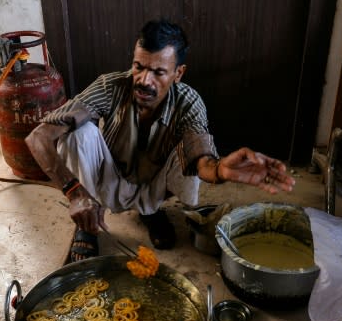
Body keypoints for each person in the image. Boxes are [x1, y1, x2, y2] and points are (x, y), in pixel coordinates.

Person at [26, 19, 295, 262]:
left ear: (178, 73)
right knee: (77, 134)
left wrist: (221, 169)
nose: (144, 80)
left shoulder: (188, 102)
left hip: (154, 183)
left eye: (158, 72)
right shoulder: (111, 86)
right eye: (138, 67)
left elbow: (201, 160)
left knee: (187, 151)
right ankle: (87, 222)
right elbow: (38, 138)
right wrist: (75, 192)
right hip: (110, 179)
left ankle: (150, 211)